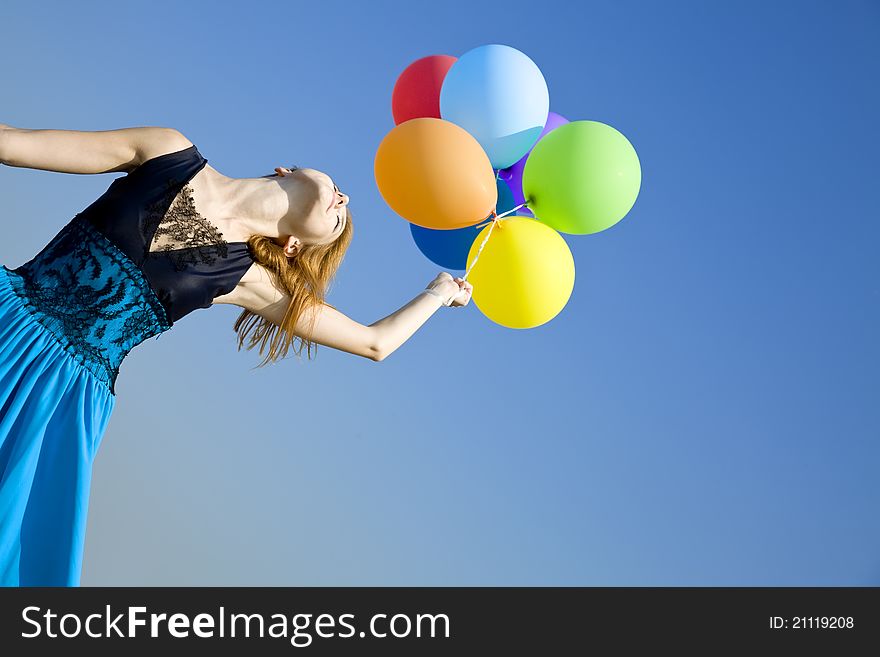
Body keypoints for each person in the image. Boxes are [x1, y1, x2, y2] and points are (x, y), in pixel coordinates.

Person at [0, 124, 473, 586]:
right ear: (286, 169)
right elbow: (13, 145)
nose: (343, 203)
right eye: (341, 192)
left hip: (58, 395)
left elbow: (375, 343)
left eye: (339, 223)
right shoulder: (167, 150)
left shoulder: (246, 279)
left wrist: (436, 293)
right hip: (10, 312)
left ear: (293, 246)